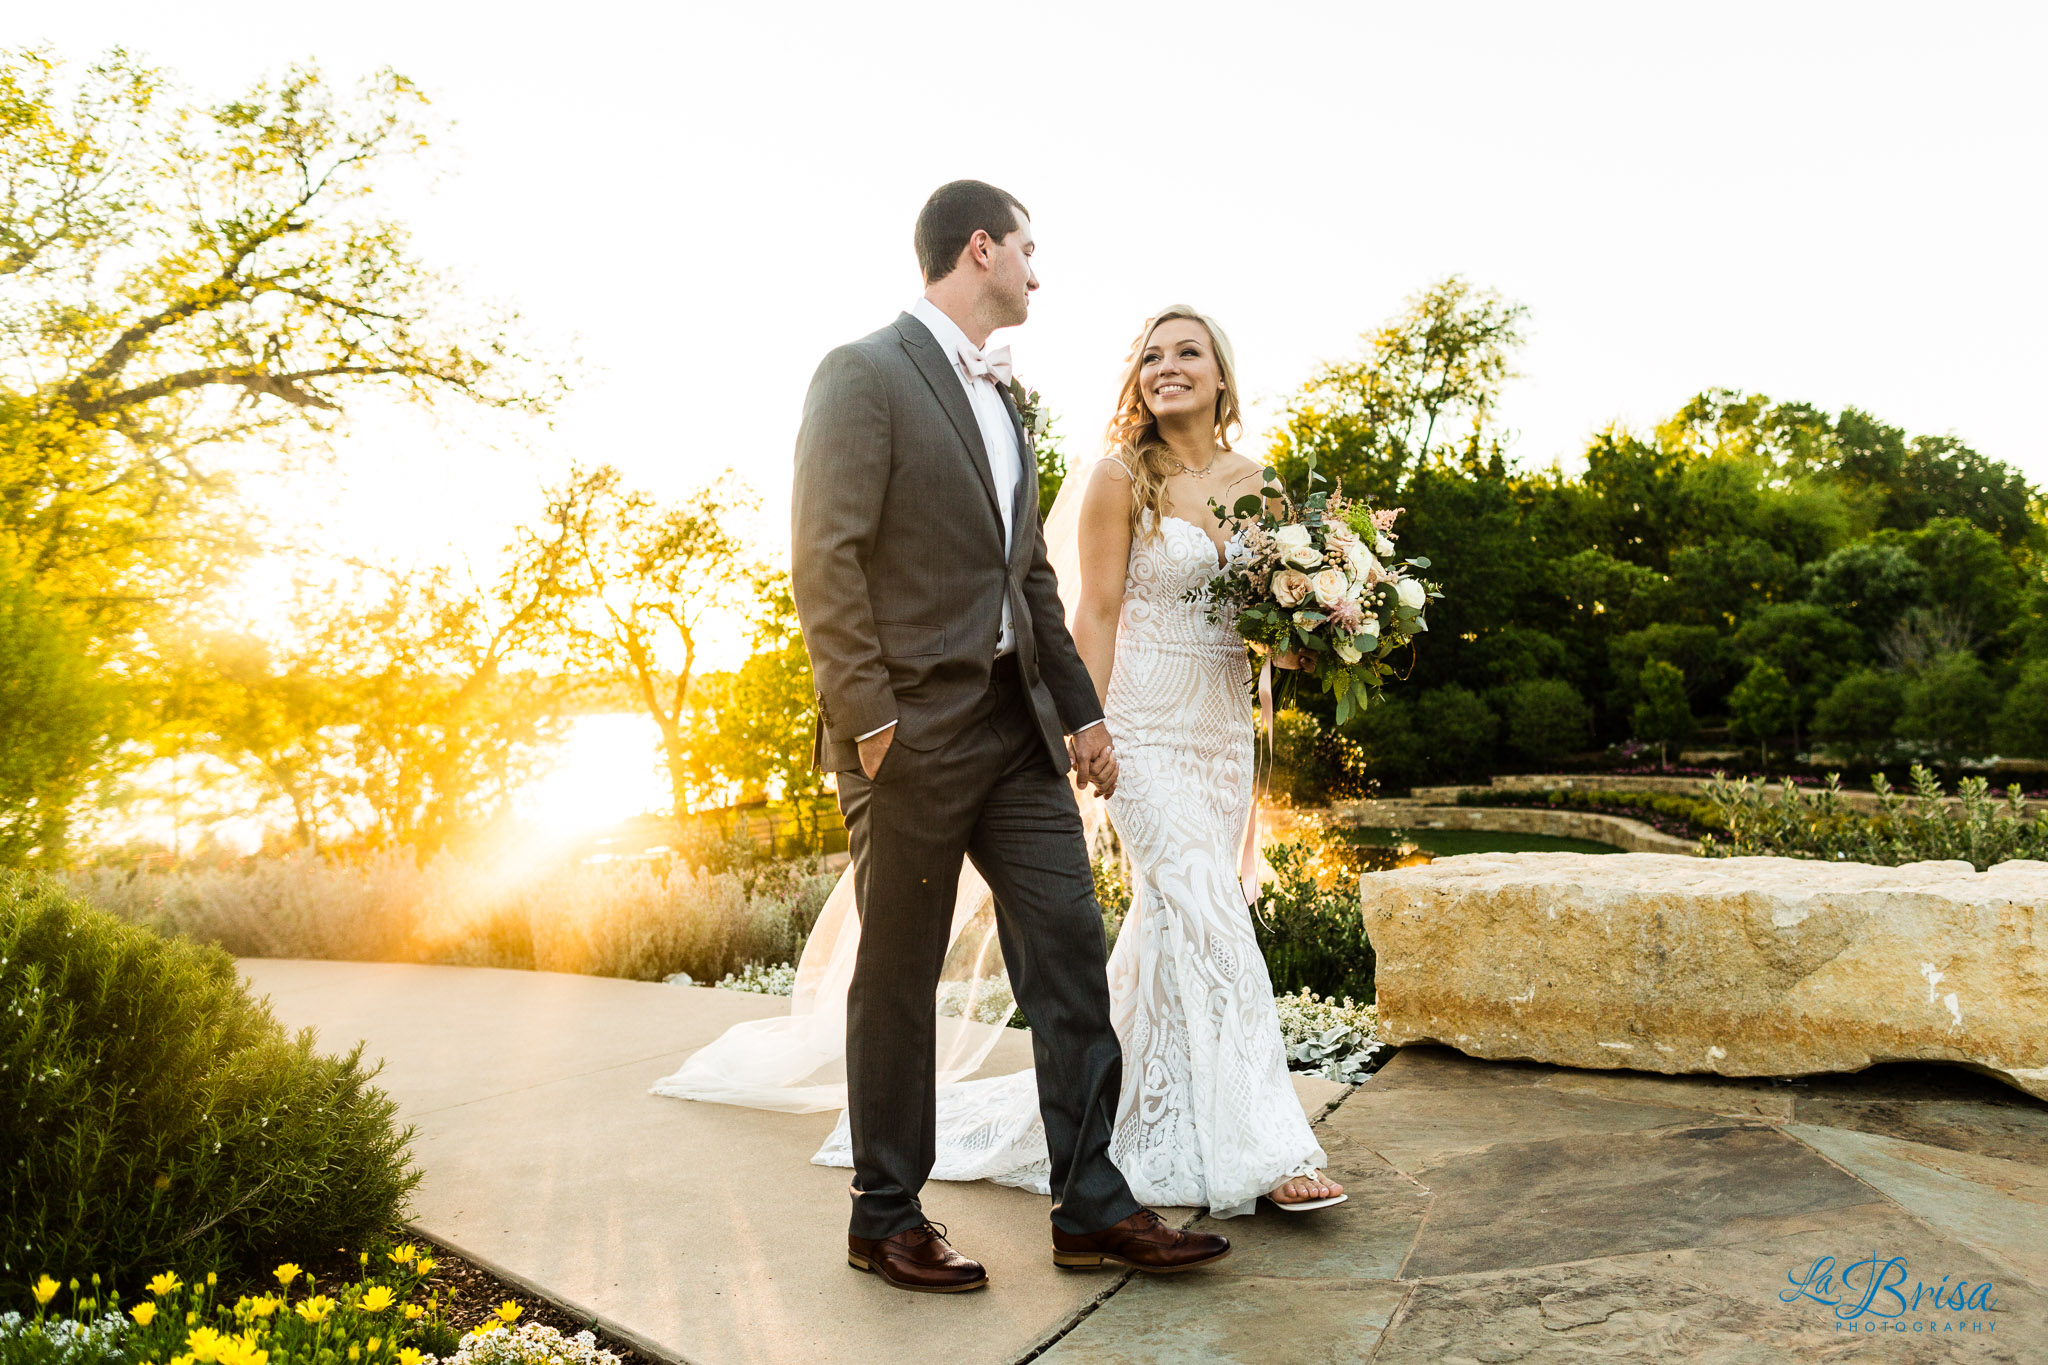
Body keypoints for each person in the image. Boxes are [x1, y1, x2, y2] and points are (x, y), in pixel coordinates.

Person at [657, 180, 1233, 1295]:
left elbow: (1030, 580)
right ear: (981, 248)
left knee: (1067, 956)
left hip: (1017, 739)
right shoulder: (862, 371)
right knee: (900, 974)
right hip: (908, 739)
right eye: (1027, 248)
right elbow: (823, 556)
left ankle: (1091, 1206)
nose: (1035, 269)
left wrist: (1081, 716)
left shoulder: (1009, 403)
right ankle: (884, 1216)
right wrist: (871, 723)